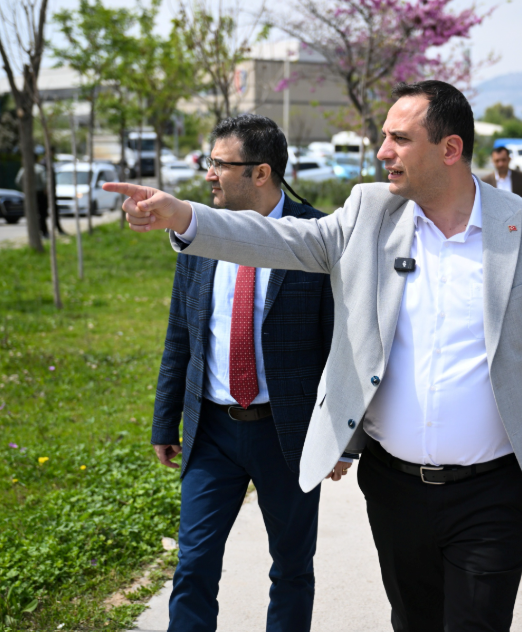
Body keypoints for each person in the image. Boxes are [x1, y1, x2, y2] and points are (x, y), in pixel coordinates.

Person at [106, 80, 522, 632]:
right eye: (385, 136)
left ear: (450, 149)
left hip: (494, 491)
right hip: (394, 489)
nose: (382, 150)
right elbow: (285, 238)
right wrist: (184, 216)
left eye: (399, 138)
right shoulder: (370, 213)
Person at [150, 114, 335, 632]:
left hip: (288, 435)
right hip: (212, 432)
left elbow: (338, 345)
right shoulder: (201, 232)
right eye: (208, 162)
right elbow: (181, 333)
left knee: (292, 568)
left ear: (261, 172)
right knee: (193, 565)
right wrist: (165, 420)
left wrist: (341, 438)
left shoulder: (317, 236)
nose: (208, 174)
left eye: (220, 164)